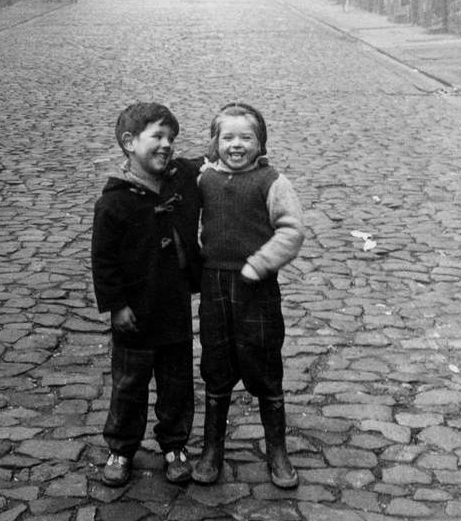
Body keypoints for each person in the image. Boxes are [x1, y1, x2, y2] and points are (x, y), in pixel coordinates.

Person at [193, 101, 305, 489]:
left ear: (260, 143)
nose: (236, 145)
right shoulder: (204, 179)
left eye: (246, 137)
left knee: (264, 364)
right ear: (214, 143)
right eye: (228, 138)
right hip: (214, 287)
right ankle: (212, 451)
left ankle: (277, 451)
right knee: (217, 364)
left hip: (256, 289)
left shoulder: (272, 182)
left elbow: (291, 231)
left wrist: (260, 264)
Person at [91, 102, 202, 487]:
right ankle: (122, 448)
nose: (167, 144)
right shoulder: (114, 201)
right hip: (134, 314)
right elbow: (103, 261)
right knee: (129, 385)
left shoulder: (181, 179)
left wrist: (245, 148)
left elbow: (214, 157)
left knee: (177, 384)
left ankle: (175, 445)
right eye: (157, 136)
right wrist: (116, 306)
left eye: (171, 137)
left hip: (173, 308)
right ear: (128, 142)